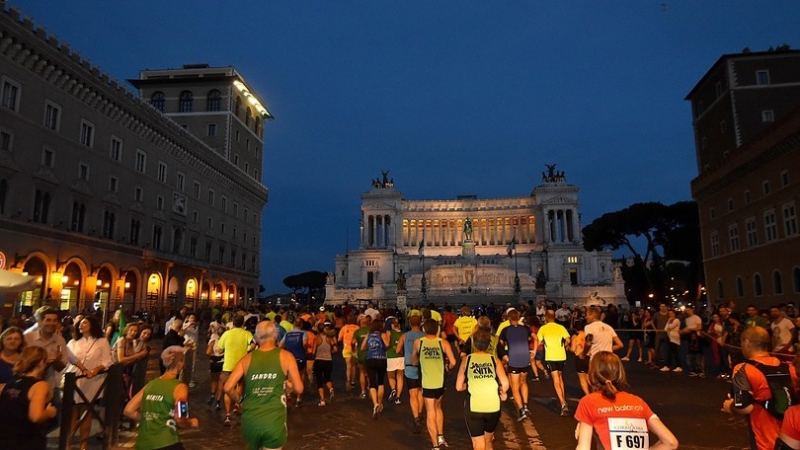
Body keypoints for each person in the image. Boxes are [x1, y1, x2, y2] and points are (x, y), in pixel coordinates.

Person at [574, 351, 678, 450]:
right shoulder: (638, 402)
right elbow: (671, 442)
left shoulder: (589, 402)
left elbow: (583, 448)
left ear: (593, 374)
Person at [225, 321, 303, 450]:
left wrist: (240, 401)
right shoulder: (286, 356)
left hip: (250, 421)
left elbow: (228, 387)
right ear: (276, 335)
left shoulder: (246, 359)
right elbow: (299, 388)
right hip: (274, 420)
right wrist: (290, 386)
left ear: (256, 338)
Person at [722, 326, 799, 450]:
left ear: (746, 342)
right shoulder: (790, 368)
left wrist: (730, 406)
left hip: (764, 441)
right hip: (791, 439)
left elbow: (745, 407)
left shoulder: (743, 369)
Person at [123, 346, 198, 450]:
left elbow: (128, 410)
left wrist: (151, 418)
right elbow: (181, 418)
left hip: (143, 443)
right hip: (166, 442)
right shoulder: (180, 387)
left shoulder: (150, 385)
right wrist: (191, 422)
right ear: (180, 363)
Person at [455, 329, 509, 450]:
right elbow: (505, 383)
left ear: (474, 344)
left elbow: (458, 387)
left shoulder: (466, 360)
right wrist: (502, 392)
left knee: (478, 444)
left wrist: (469, 385)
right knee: (488, 440)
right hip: (493, 406)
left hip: (475, 406)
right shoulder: (494, 360)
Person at [66, 315, 113, 448]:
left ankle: (83, 444)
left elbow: (107, 361)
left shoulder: (102, 341)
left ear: (92, 325)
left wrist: (97, 369)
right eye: (79, 323)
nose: (81, 325)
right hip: (75, 380)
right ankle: (68, 442)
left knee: (87, 411)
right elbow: (68, 360)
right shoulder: (72, 343)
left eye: (84, 323)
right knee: (73, 411)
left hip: (93, 381)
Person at [0, 346, 58, 450]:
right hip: (26, 440)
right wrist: (50, 412)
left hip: (5, 438)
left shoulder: (12, 382)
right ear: (41, 362)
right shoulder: (40, 385)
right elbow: (35, 416)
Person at [413, 318, 457, 450]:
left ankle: (435, 445)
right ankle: (441, 436)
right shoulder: (443, 343)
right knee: (438, 408)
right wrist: (448, 368)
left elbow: (414, 360)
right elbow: (453, 362)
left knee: (430, 411)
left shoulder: (418, 342)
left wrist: (416, 361)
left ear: (424, 329)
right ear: (437, 329)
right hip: (440, 381)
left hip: (427, 382)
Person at [216, 314, 254, 426]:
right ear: (243, 323)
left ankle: (227, 415)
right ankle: (238, 404)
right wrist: (246, 349)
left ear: (232, 322)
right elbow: (253, 345)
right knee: (239, 386)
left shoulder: (226, 334)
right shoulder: (247, 334)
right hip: (241, 366)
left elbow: (219, 349)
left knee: (228, 389)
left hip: (228, 366)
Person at [499, 309, 533, 421]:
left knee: (514, 387)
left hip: (513, 359)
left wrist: (504, 355)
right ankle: (526, 405)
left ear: (509, 319)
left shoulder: (505, 330)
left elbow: (500, 344)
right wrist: (534, 351)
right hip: (525, 358)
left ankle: (521, 409)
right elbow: (535, 338)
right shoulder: (525, 329)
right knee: (523, 382)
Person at [537, 310, 571, 416]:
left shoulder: (543, 328)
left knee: (556, 379)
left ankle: (563, 403)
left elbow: (539, 341)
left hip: (551, 356)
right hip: (561, 355)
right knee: (560, 378)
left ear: (546, 317)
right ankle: (563, 399)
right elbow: (568, 340)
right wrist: (564, 346)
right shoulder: (560, 327)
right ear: (555, 316)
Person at [396, 314, 426, 433]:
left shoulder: (405, 335)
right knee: (420, 392)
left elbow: (398, 350)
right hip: (423, 367)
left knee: (412, 393)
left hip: (409, 367)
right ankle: (420, 412)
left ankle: (416, 418)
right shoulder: (424, 336)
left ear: (410, 324)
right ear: (420, 323)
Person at [363, 317, 389, 418]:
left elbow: (362, 347)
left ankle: (375, 404)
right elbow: (387, 344)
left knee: (372, 383)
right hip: (382, 358)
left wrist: (368, 348)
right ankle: (380, 402)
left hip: (370, 359)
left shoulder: (369, 335)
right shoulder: (382, 334)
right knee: (381, 382)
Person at [311, 322, 337, 406]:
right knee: (327, 378)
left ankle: (322, 400)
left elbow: (313, 351)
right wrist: (329, 352)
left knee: (319, 381)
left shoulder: (317, 338)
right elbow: (336, 349)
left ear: (318, 329)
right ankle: (331, 388)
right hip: (328, 360)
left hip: (319, 360)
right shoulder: (329, 338)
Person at [385, 316, 405, 405]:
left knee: (391, 376)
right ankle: (398, 397)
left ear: (392, 325)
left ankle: (393, 389)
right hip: (401, 356)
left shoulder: (389, 332)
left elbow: (387, 344)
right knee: (400, 377)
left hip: (391, 356)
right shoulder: (403, 334)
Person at [338, 314, 360, 390]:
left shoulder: (344, 328)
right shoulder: (357, 328)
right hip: (355, 349)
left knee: (348, 366)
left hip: (347, 348)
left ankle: (348, 380)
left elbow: (339, 339)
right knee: (354, 366)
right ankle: (353, 382)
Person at [206, 322, 225, 409]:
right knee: (221, 382)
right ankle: (218, 401)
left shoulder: (213, 340)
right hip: (223, 362)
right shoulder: (226, 341)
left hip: (214, 362)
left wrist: (211, 357)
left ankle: (212, 395)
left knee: (214, 380)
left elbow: (208, 352)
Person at [0, 326, 25, 390]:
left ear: (21, 341)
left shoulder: (25, 359)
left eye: (16, 339)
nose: (12, 341)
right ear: (2, 340)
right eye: (9, 339)